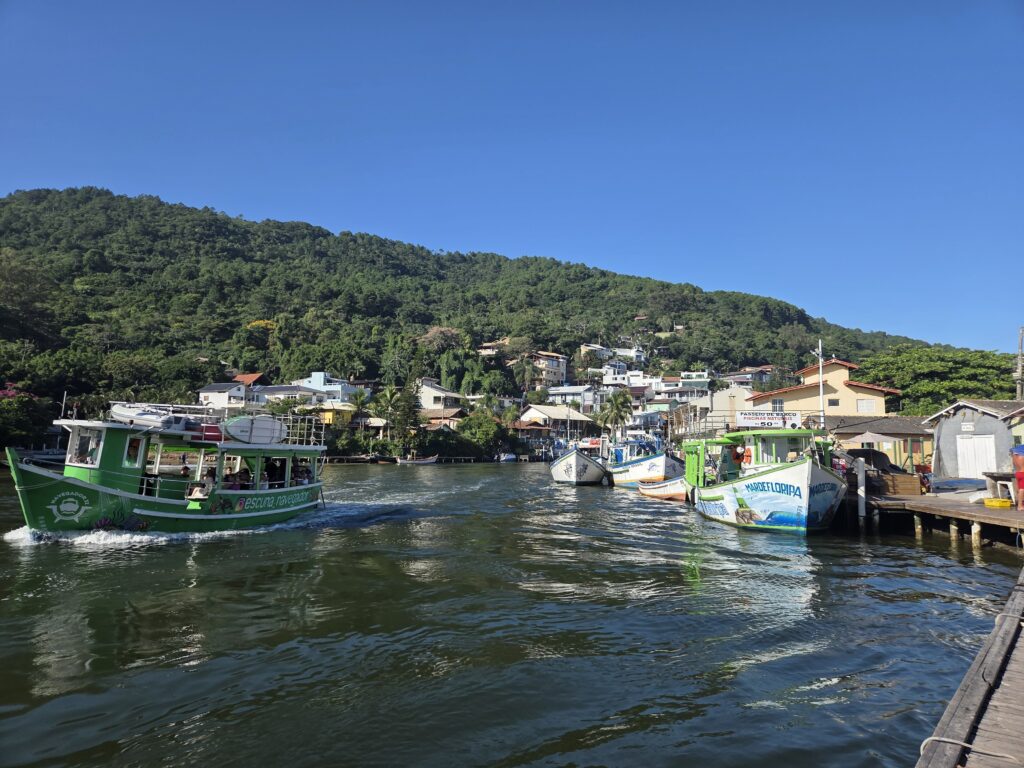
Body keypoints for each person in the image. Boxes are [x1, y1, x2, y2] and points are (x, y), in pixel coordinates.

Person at [1012, 445, 1024, 512]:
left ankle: (1020, 504)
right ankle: (1020, 506)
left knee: (1019, 489)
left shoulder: (1015, 456)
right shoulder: (1022, 456)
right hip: (1023, 473)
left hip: (1018, 473)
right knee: (1022, 489)